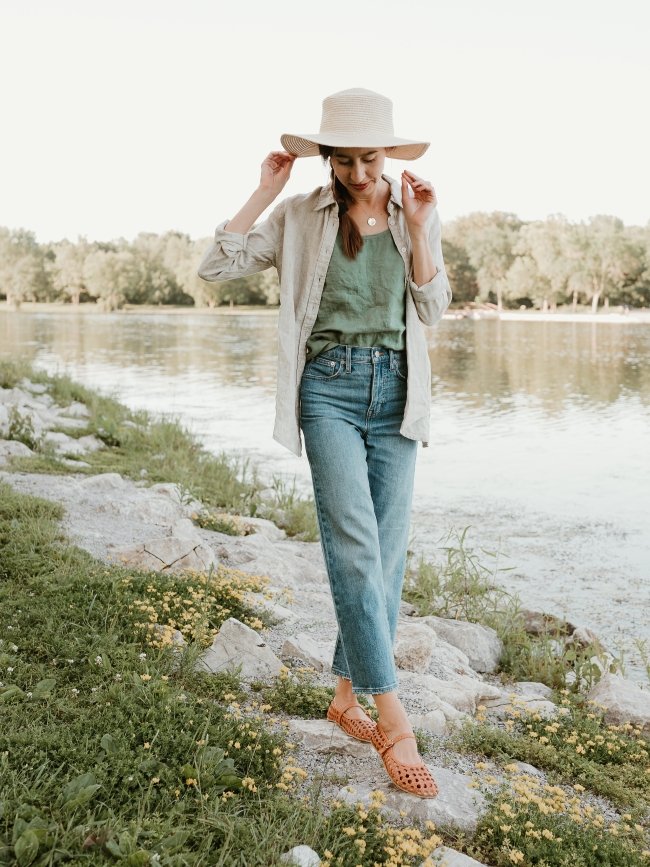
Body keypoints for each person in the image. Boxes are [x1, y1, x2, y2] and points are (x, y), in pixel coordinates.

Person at [198, 88, 452, 798]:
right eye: (345, 160)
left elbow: (434, 307)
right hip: (330, 391)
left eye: (370, 158)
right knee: (353, 545)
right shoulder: (300, 216)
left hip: (398, 393)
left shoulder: (412, 212)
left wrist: (426, 228)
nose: (360, 172)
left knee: (386, 555)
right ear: (329, 159)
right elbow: (216, 265)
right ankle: (393, 717)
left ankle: (345, 694)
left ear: (387, 155)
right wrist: (262, 190)